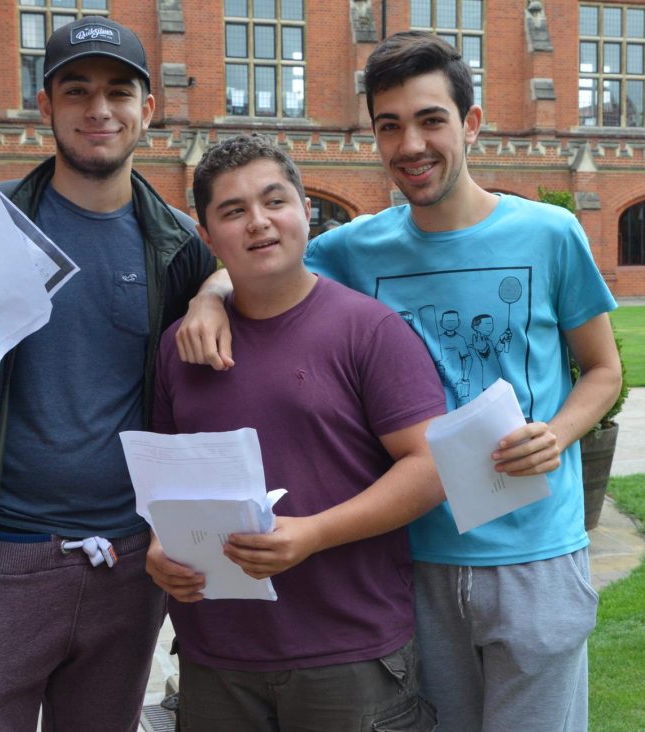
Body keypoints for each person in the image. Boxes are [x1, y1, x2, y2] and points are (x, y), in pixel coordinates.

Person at [176, 32, 623, 732]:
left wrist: (559, 434)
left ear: (471, 124)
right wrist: (207, 297)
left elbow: (602, 368)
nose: (411, 144)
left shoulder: (551, 233)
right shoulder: (354, 248)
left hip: (535, 549)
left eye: (430, 120)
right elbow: (261, 255)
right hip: (414, 556)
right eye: (390, 126)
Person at [0, 17, 215, 731]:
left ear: (148, 110)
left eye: (119, 92)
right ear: (45, 105)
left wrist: (218, 289)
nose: (99, 109)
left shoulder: (179, 247)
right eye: (77, 90)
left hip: (126, 563)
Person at [145, 134, 449, 731]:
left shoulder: (369, 330)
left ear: (305, 211)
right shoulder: (182, 347)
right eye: (233, 211)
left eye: (274, 201)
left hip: (348, 652)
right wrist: (161, 545)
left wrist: (312, 533)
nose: (258, 222)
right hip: (216, 656)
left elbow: (432, 467)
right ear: (207, 236)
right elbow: (164, 480)